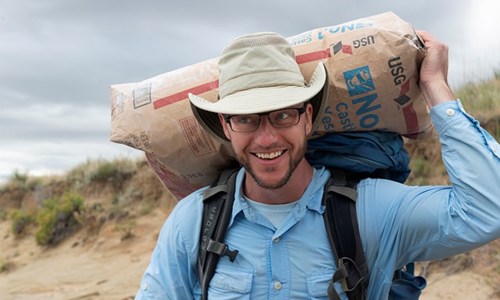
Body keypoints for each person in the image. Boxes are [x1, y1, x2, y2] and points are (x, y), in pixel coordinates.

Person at [135, 31, 500, 299]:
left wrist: (435, 85)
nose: (266, 139)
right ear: (226, 128)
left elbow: (488, 210)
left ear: (307, 118)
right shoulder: (193, 222)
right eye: (246, 120)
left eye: (282, 115)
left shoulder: (370, 210)